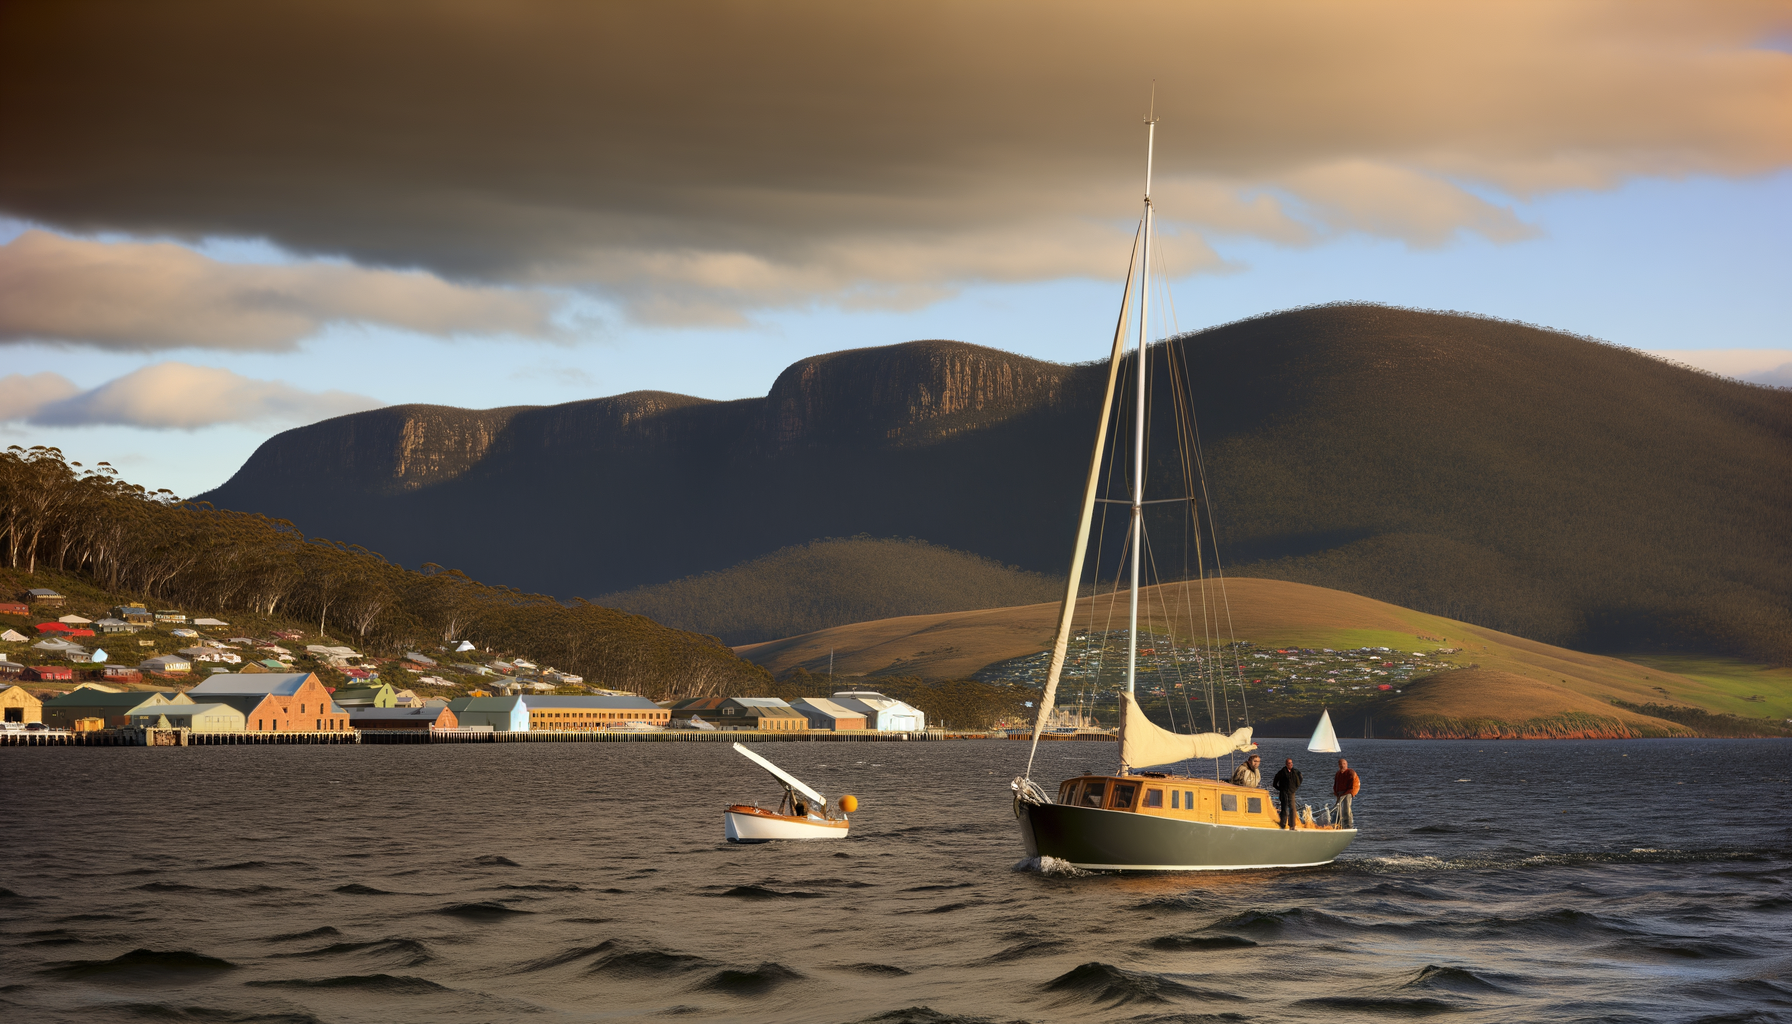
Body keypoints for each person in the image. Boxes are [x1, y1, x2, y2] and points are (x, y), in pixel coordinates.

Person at [1272, 758, 1302, 829]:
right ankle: (1283, 824)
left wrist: (1295, 788)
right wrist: (1280, 789)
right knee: (1284, 809)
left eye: (1291, 763)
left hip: (1291, 792)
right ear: (1286, 764)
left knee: (1292, 808)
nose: (1291, 764)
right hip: (1284, 793)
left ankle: (1292, 825)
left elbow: (1300, 779)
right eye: (1289, 763)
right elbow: (1275, 783)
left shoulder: (1295, 772)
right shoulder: (1282, 772)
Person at [1333, 758, 1360, 828]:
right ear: (1338, 765)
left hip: (1348, 792)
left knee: (1346, 808)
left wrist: (1346, 794)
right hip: (1340, 793)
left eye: (1344, 764)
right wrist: (1336, 793)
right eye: (1340, 764)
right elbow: (1335, 784)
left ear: (1347, 764)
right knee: (1337, 808)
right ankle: (1338, 824)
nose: (1342, 766)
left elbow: (1352, 786)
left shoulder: (1351, 772)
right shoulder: (1338, 774)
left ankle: (1348, 825)